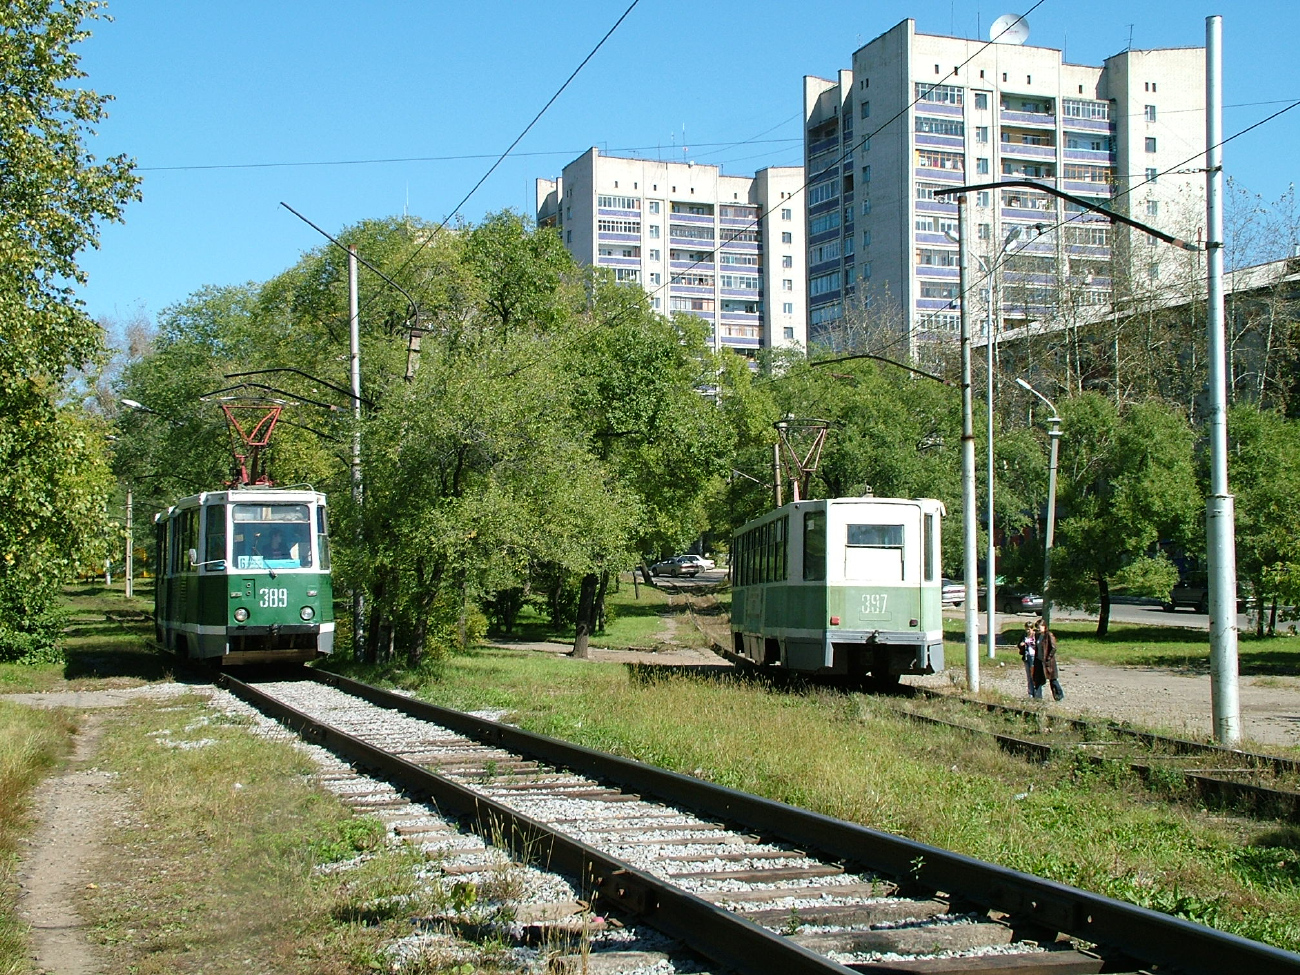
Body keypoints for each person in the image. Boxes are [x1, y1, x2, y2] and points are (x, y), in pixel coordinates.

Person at [1033, 618, 1065, 702]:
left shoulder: (1049, 635)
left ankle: (1059, 696)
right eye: (1037, 627)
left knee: (1052, 679)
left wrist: (1048, 658)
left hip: (1048, 663)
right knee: (1038, 679)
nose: (1038, 629)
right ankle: (1038, 697)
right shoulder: (1038, 635)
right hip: (1039, 661)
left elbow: (1053, 648)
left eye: (1039, 627)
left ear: (1044, 626)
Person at [1017, 622, 1040, 699]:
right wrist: (1021, 645)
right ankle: (1030, 693)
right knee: (1029, 676)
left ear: (1032, 628)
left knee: (1034, 675)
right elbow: (1019, 644)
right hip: (1027, 656)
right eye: (1026, 629)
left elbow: (1039, 645)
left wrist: (1032, 643)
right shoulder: (1024, 636)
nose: (1027, 631)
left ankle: (1037, 693)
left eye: (1029, 629)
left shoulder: (1036, 635)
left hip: (1034, 657)